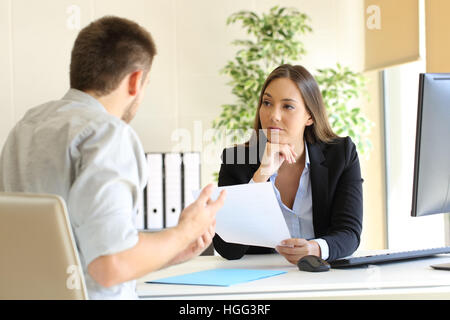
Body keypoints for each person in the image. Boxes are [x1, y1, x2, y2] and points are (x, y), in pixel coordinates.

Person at [0, 16, 225, 299]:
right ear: (135, 81)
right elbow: (109, 267)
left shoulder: (27, 126)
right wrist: (185, 230)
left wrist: (171, 251)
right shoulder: (108, 134)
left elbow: (82, 261)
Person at [213, 64, 363, 264]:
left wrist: (315, 248)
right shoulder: (236, 160)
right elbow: (227, 248)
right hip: (259, 279)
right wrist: (260, 176)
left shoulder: (341, 154)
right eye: (267, 103)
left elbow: (349, 233)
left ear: (309, 116)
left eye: (287, 106)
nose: (273, 115)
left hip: (321, 274)